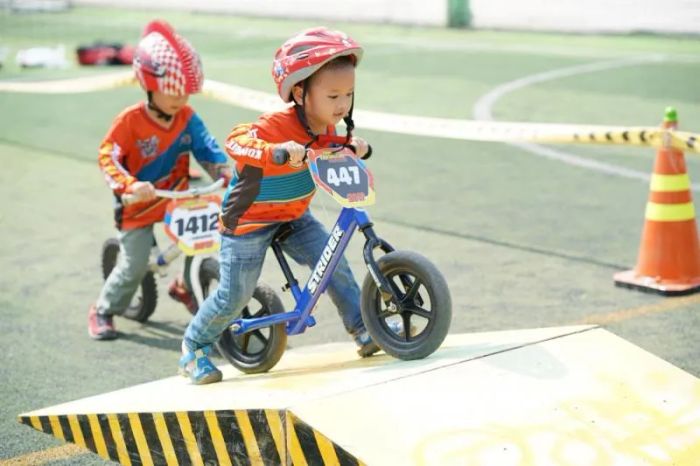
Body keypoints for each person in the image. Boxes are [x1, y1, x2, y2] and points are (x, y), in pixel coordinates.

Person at [179, 27, 391, 385]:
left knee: (332, 262)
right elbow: (236, 141)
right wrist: (273, 152)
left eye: (348, 95)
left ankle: (363, 328)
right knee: (235, 294)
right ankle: (194, 347)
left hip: (293, 216)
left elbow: (337, 149)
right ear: (299, 92)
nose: (342, 104)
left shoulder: (329, 130)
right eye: (333, 95)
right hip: (248, 222)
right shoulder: (276, 126)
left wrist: (354, 146)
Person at [88, 20, 231, 340]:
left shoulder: (187, 117)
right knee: (135, 265)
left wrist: (223, 171)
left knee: (203, 239)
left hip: (176, 199)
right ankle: (104, 309)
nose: (180, 98)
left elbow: (206, 147)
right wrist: (129, 185)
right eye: (172, 91)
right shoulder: (130, 121)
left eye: (185, 92)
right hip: (137, 204)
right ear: (149, 85)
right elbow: (108, 156)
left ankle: (185, 286)